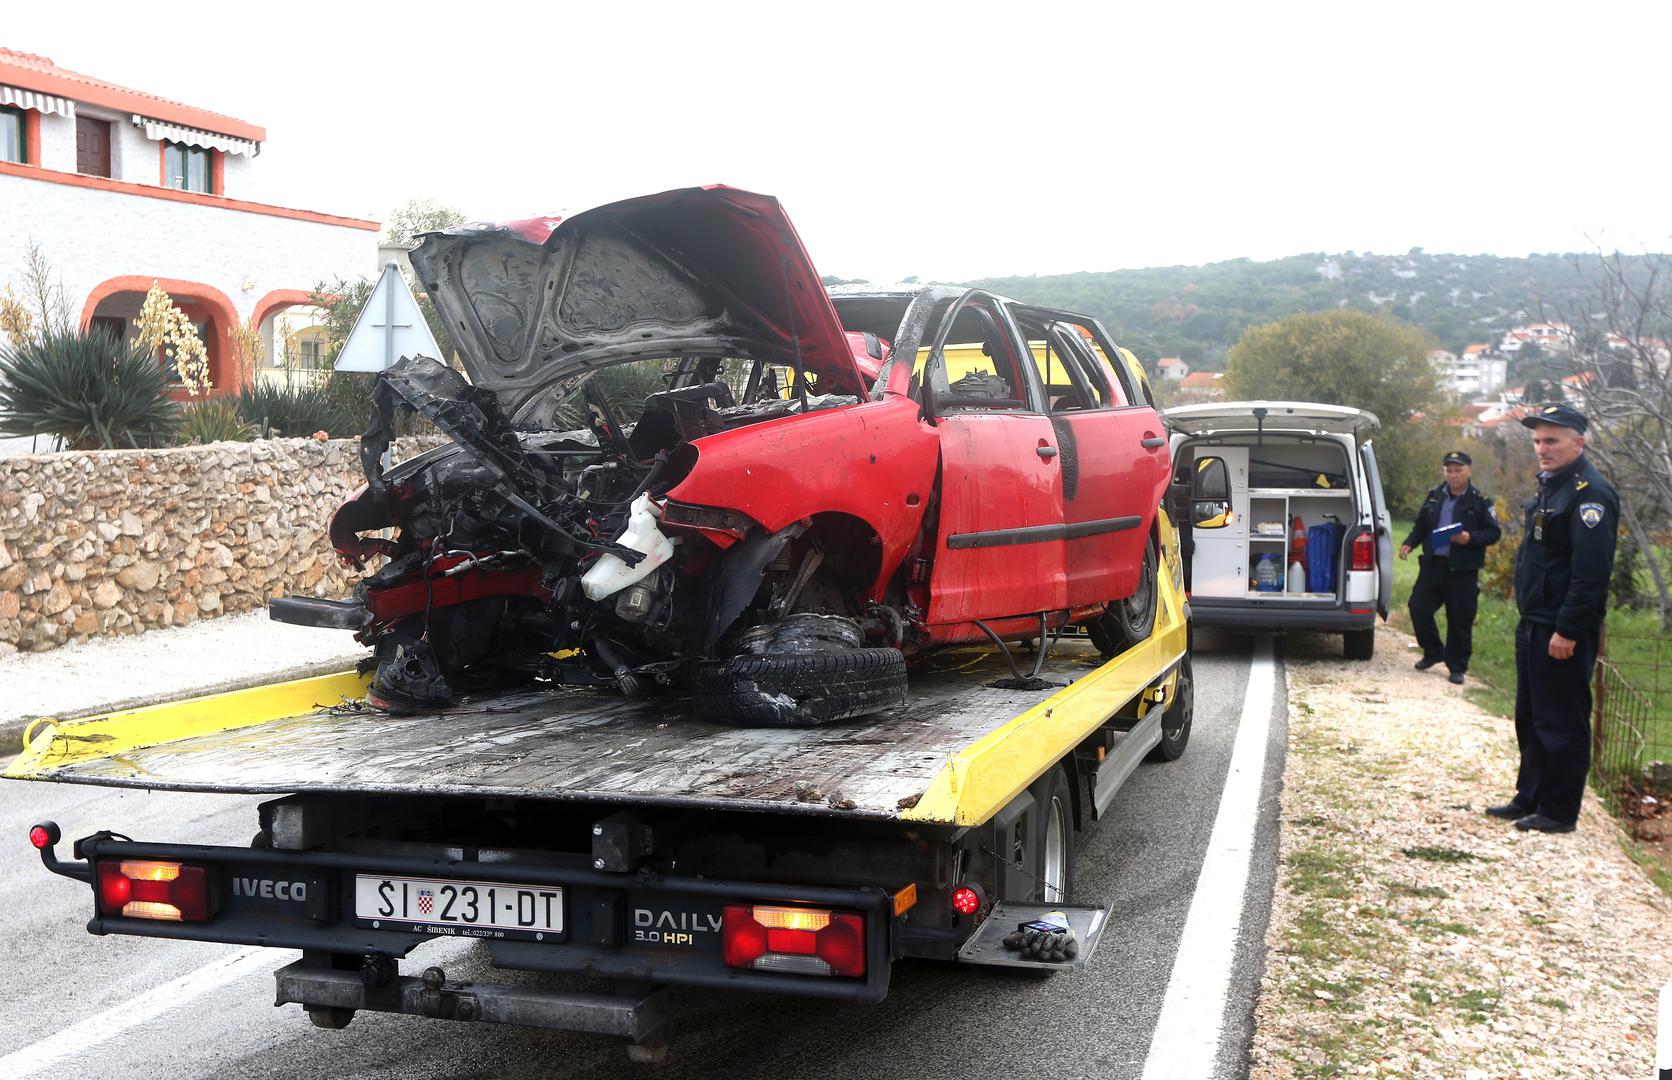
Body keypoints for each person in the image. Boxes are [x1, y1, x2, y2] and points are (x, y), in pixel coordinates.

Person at [1485, 403, 1618, 834]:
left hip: (1561, 627)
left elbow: (1590, 574)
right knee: (1532, 715)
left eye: (1552, 441)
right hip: (1536, 621)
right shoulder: (1552, 487)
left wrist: (1568, 629)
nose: (1542, 448)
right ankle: (1531, 796)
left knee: (1560, 720)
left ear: (1577, 443)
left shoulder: (1588, 494)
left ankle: (1559, 810)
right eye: (1538, 441)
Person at [1400, 451, 1501, 684]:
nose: (1453, 475)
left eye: (1458, 470)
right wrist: (1409, 543)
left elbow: (1493, 532)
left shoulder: (1480, 500)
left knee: (1459, 619)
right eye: (1449, 471)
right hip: (1433, 566)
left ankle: (1457, 666)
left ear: (1469, 470)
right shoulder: (1435, 496)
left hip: (1463, 570)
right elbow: (1421, 525)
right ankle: (1433, 651)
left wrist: (1469, 538)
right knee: (1418, 608)